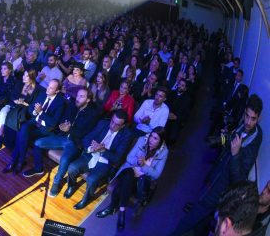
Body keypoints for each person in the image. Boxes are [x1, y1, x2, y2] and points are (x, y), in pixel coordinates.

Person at [173, 95, 264, 235]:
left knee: (187, 222)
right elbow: (230, 139)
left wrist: (235, 154)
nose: (248, 121)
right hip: (214, 179)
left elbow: (239, 178)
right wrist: (219, 139)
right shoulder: (242, 125)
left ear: (259, 118)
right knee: (201, 224)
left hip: (220, 191)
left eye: (253, 119)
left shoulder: (255, 139)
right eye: (247, 116)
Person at [23, 88, 98, 196]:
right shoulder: (73, 106)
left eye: (82, 96)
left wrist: (70, 129)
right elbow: (63, 120)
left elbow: (85, 133)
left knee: (65, 159)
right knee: (38, 143)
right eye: (78, 95)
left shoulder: (92, 114)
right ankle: (38, 168)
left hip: (75, 142)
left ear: (88, 100)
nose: (78, 98)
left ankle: (56, 183)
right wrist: (62, 126)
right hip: (62, 137)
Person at [96, 127, 169, 230]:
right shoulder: (142, 140)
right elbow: (129, 158)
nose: (151, 140)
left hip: (141, 179)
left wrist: (144, 166)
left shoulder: (164, 152)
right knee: (129, 173)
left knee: (125, 182)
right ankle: (122, 211)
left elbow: (157, 174)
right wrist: (138, 162)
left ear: (161, 141)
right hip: (129, 169)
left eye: (155, 138)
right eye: (151, 136)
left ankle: (111, 207)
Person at [64, 109, 134, 210]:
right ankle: (72, 186)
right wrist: (91, 147)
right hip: (91, 154)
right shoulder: (102, 123)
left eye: (117, 124)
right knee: (72, 167)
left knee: (92, 179)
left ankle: (86, 198)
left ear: (123, 126)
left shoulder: (127, 135)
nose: (112, 126)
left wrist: (103, 150)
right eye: (112, 121)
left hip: (105, 161)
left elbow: (117, 157)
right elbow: (87, 138)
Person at [2, 79, 65, 174]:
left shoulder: (60, 102)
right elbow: (31, 108)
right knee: (23, 128)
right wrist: (35, 112)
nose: (48, 89)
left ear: (57, 91)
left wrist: (41, 112)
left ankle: (16, 161)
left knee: (22, 134)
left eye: (51, 88)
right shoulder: (43, 94)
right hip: (35, 122)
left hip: (45, 130)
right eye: (48, 86)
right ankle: (19, 161)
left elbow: (53, 123)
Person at [0, 69, 42, 150]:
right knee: (1, 115)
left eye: (26, 76)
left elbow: (32, 104)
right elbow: (12, 95)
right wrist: (16, 100)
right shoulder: (19, 83)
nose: (24, 77)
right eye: (24, 75)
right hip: (12, 104)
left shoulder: (36, 88)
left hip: (21, 109)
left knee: (1, 118)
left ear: (32, 77)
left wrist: (23, 103)